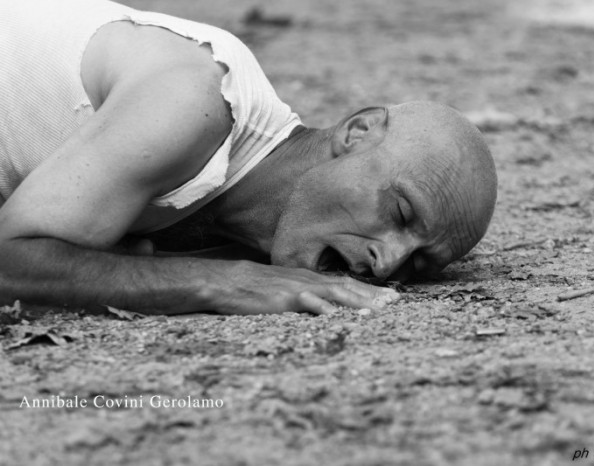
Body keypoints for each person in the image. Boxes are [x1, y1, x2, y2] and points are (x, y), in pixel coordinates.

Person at [0, 0, 497, 316]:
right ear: (358, 132)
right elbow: (10, 263)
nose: (388, 263)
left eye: (419, 263)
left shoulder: (254, 227)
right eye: (401, 212)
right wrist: (212, 283)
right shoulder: (197, 100)